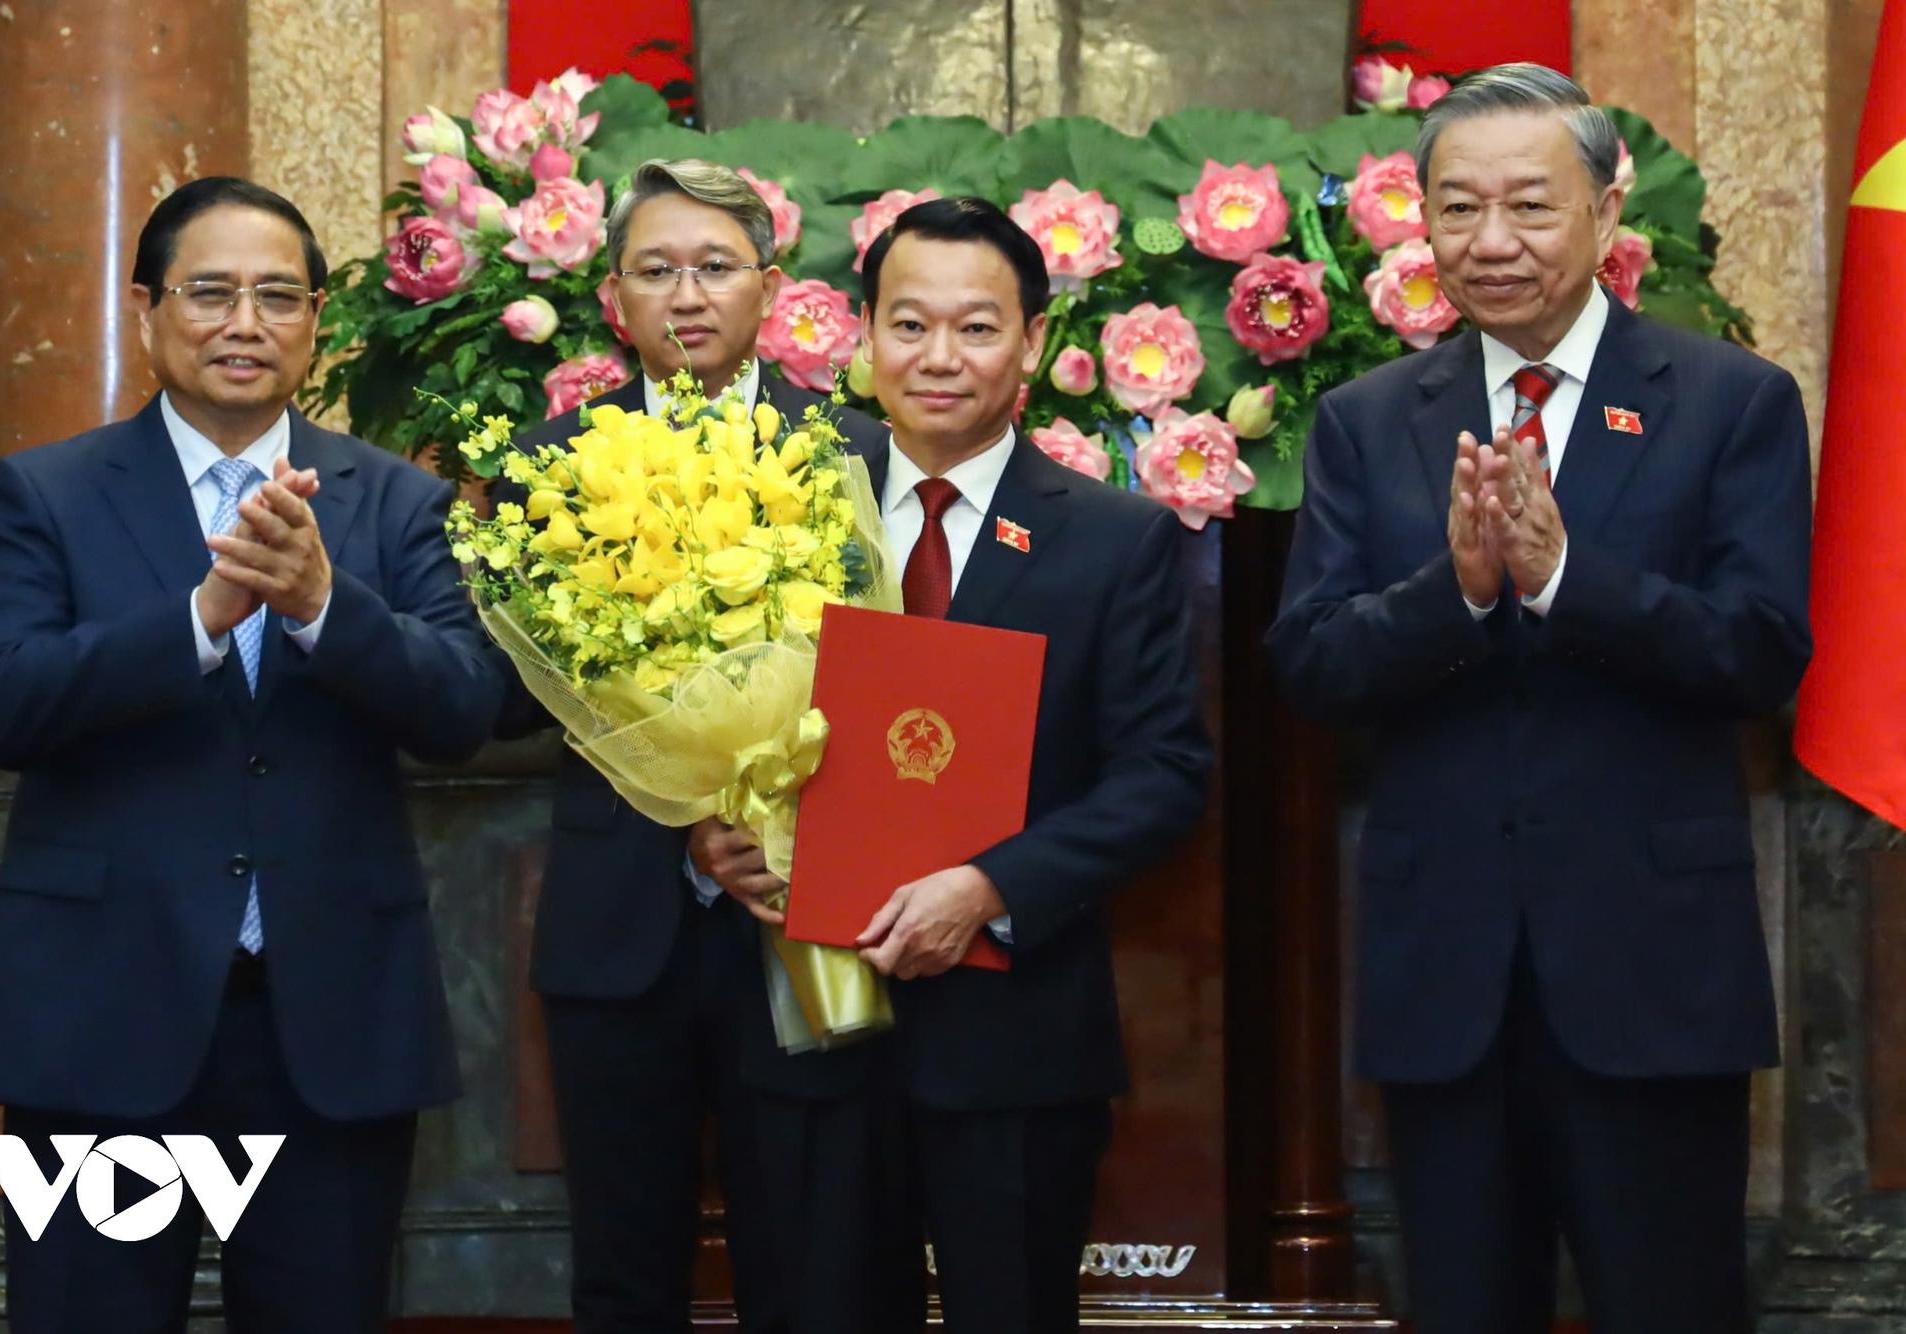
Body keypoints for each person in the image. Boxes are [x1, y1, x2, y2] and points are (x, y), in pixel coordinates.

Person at [1267, 64, 1811, 1334]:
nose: (1490, 242)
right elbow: (1308, 662)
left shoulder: (1729, 401)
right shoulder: (1363, 421)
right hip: (1442, 976)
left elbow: (1760, 651)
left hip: (1650, 971)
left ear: (1607, 212)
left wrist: (1567, 579)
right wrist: (1449, 596)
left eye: (1528, 204)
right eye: (1456, 209)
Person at [0, 177, 503, 1333]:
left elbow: (462, 706)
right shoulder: (46, 491)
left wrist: (320, 606)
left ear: (315, 325)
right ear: (147, 310)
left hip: (326, 1028)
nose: (244, 322)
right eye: (210, 293)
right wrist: (200, 617)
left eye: (277, 296)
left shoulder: (395, 503)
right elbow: (3, 701)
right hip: (102, 1018)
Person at [498, 159, 917, 1334]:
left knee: (816, 1264)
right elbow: (503, 698)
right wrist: (690, 819)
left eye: (715, 267)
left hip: (805, 911)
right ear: (613, 302)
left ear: (771, 289)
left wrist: (779, 818)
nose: (687, 296)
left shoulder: (856, 454)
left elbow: (896, 691)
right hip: (619, 923)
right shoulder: (549, 466)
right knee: (625, 1272)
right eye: (656, 270)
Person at [840, 196, 1212, 1333]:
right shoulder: (787, 508)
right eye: (907, 325)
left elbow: (1164, 772)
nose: (937, 358)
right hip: (811, 1027)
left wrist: (988, 887)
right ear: (861, 335)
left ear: (1034, 343)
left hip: (1014, 1032)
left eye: (975, 328)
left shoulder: (1114, 538)